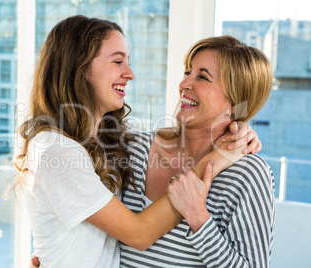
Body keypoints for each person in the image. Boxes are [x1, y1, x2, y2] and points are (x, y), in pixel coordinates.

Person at [21, 16, 261, 268]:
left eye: (202, 76)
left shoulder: (110, 145)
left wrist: (239, 131)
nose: (130, 73)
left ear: (234, 102)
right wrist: (214, 161)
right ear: (78, 68)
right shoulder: (61, 151)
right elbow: (138, 234)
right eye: (117, 61)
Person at [120, 35, 276, 267]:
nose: (183, 84)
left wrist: (198, 217)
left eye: (202, 77)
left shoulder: (248, 175)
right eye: (187, 72)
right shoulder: (133, 148)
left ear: (235, 103)